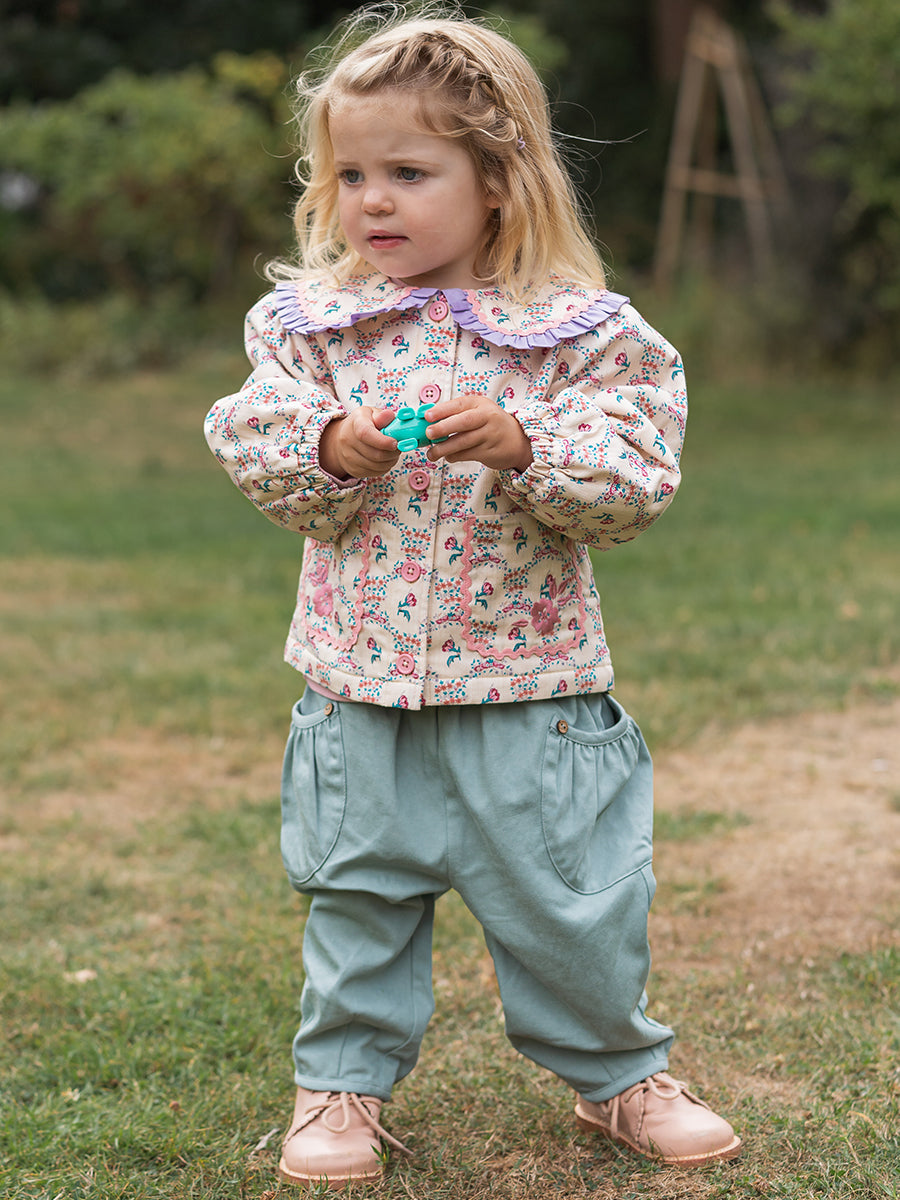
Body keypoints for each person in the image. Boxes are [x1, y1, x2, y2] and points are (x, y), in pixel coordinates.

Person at [204, 2, 741, 1186]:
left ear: (498, 180)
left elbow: (638, 479)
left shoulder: (581, 336)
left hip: (529, 688)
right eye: (351, 175)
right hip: (360, 688)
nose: (372, 202)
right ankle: (340, 1088)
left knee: (573, 899)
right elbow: (253, 437)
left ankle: (619, 1074)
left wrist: (526, 443)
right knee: (356, 891)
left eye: (409, 173)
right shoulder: (313, 329)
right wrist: (332, 446)